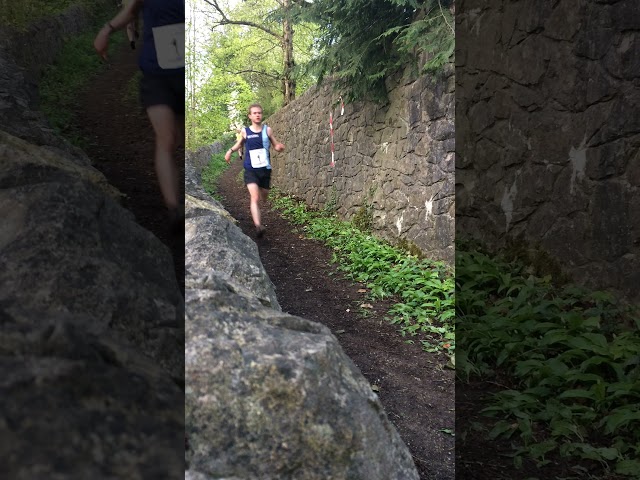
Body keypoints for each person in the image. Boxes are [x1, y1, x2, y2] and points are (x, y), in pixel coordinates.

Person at [94, 0, 185, 234]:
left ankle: (181, 200)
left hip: (186, 74)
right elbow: (130, 11)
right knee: (167, 138)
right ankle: (174, 209)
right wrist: (107, 29)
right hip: (156, 73)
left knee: (179, 140)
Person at [225, 104, 285, 238]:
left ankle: (262, 200)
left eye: (259, 113)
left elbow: (275, 145)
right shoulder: (245, 131)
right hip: (250, 169)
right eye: (255, 113)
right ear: (250, 116)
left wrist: (279, 147)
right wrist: (230, 151)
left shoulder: (267, 130)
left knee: (264, 195)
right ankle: (258, 226)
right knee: (255, 197)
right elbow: (240, 144)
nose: (257, 115)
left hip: (265, 169)